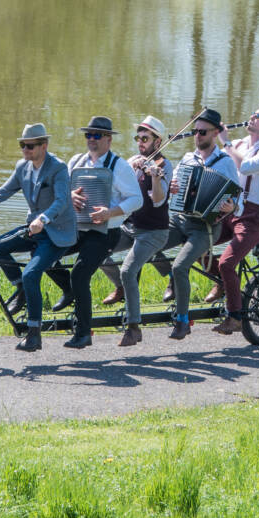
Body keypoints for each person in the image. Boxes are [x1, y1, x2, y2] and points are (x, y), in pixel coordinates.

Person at [0, 123, 78, 352]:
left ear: (44, 146)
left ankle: (34, 334)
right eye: (22, 145)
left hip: (56, 232)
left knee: (31, 274)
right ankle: (22, 290)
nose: (25, 149)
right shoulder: (22, 167)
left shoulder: (58, 168)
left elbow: (62, 201)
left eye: (30, 145)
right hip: (32, 228)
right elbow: (2, 192)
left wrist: (43, 219)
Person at [49, 116, 142, 349]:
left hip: (104, 233)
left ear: (109, 140)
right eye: (88, 135)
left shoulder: (119, 166)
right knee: (45, 254)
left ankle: (83, 334)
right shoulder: (76, 161)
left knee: (80, 274)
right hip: (77, 227)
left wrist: (110, 212)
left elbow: (137, 199)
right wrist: (70, 197)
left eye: (97, 135)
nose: (91, 139)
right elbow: (61, 189)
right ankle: (69, 291)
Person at [158, 108, 241, 340]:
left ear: (215, 133)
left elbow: (237, 200)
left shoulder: (224, 163)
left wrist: (231, 207)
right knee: (150, 246)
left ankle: (183, 321)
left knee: (179, 266)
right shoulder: (187, 158)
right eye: (195, 131)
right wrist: (172, 188)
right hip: (181, 220)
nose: (197, 135)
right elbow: (173, 188)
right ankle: (173, 282)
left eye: (203, 132)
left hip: (205, 227)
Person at [212, 102, 259, 335]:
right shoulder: (240, 144)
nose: (251, 117)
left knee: (226, 263)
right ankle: (224, 282)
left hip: (253, 217)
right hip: (230, 209)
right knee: (194, 242)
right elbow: (220, 164)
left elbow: (245, 166)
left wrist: (225, 141)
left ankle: (234, 316)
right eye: (252, 114)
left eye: (258, 116)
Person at [98, 116, 170, 347]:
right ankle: (121, 288)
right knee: (96, 250)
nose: (140, 142)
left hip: (154, 231)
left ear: (157, 142)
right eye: (138, 138)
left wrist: (154, 178)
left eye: (145, 138)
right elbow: (116, 191)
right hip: (130, 227)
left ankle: (133, 327)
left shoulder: (164, 166)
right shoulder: (133, 161)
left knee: (129, 271)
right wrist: (129, 169)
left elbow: (158, 201)